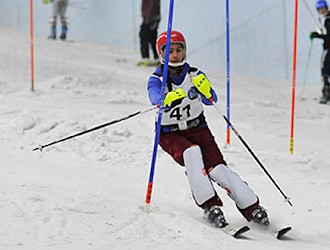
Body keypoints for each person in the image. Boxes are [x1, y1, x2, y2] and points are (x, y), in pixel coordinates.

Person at [147, 30, 270, 228]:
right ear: (161, 54)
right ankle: (210, 206)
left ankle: (252, 207)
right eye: (170, 51)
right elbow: (154, 98)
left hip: (198, 128)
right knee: (192, 153)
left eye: (179, 50)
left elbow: (211, 100)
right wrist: (164, 99)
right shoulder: (158, 79)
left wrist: (206, 90)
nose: (175, 55)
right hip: (170, 133)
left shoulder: (194, 74)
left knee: (218, 168)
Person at [309, 0, 330, 104]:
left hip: (328, 49)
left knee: (324, 70)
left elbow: (329, 37)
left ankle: (326, 93)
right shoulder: (325, 19)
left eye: (323, 9)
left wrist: (318, 36)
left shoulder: (328, 20)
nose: (322, 11)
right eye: (320, 9)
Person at [137, 0, 161, 66]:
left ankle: (145, 58)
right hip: (152, 19)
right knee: (152, 38)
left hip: (149, 20)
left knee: (144, 37)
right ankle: (157, 58)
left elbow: (152, 6)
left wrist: (148, 20)